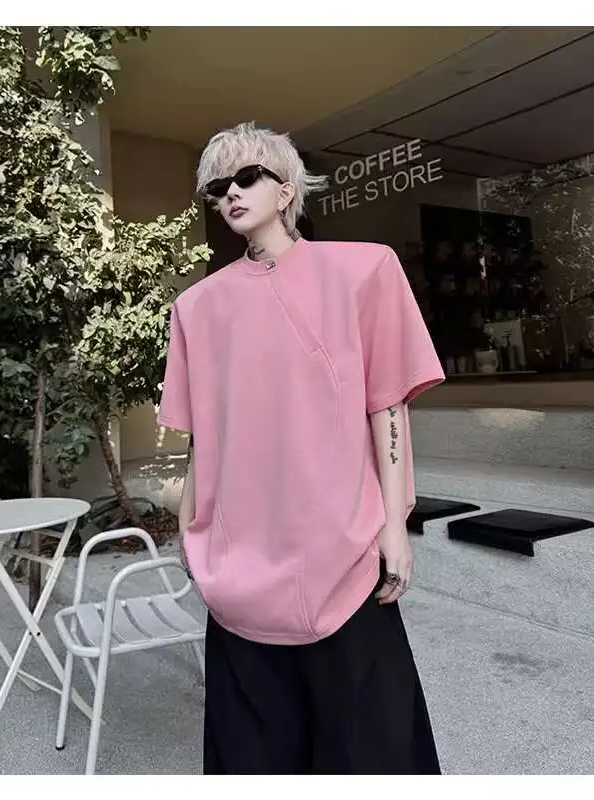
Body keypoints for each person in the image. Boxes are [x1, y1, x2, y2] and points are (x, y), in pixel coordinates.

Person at [157, 121, 446, 775]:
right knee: (255, 754)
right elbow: (205, 436)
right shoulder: (196, 308)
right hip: (238, 560)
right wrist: (188, 530)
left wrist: (394, 525)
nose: (231, 193)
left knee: (369, 749)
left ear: (287, 189)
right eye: (218, 187)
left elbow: (387, 403)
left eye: (246, 177)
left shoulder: (364, 271)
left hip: (341, 550)